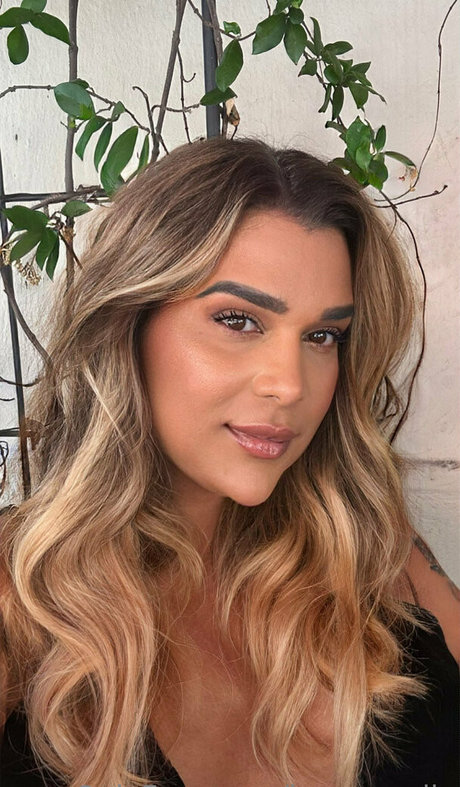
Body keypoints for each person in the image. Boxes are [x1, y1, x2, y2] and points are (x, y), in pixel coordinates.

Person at [0, 136, 458, 787]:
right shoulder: (21, 601)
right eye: (239, 321)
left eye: (322, 335)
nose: (290, 385)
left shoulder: (378, 557)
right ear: (130, 324)